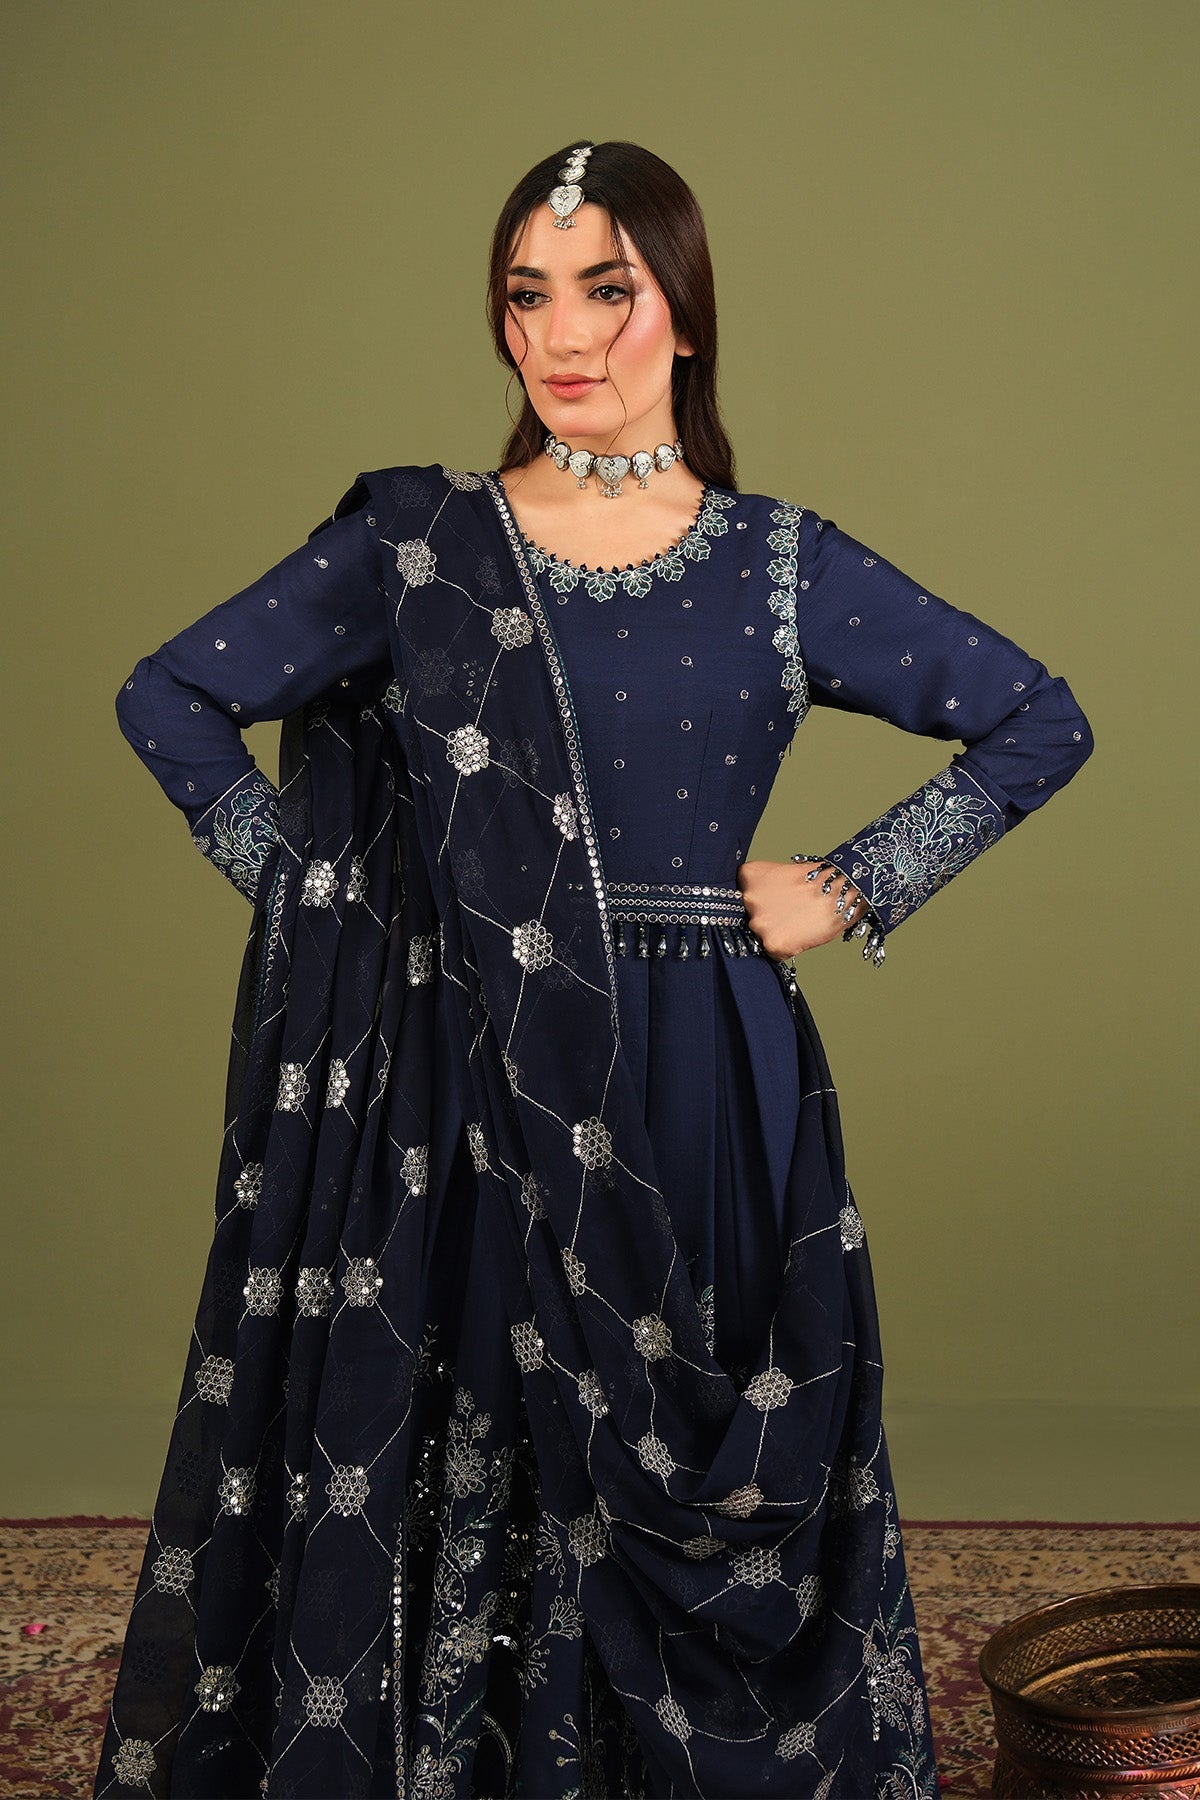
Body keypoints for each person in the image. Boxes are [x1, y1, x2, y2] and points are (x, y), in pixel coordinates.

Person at [94, 140, 1092, 1800]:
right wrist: (335, 914)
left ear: (684, 314)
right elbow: (171, 698)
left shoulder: (780, 562)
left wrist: (859, 881)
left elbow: (1037, 720)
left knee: (693, 1417)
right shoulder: (426, 551)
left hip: (705, 1057)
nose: (563, 335)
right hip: (472, 1061)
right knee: (493, 1409)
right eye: (527, 296)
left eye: (608, 291)